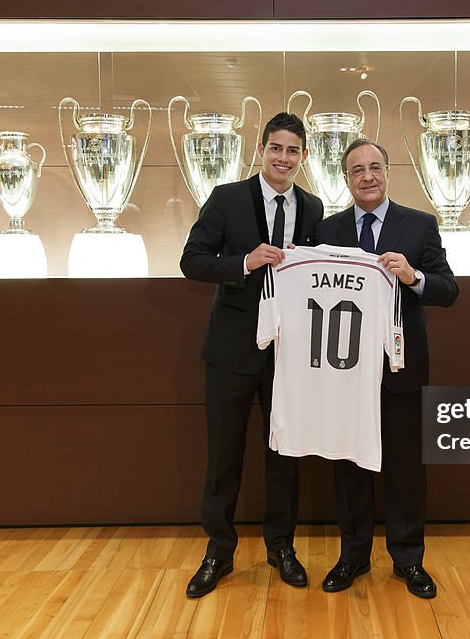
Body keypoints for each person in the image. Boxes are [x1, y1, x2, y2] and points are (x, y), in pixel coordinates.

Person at [179, 112, 324, 598]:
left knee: (284, 453)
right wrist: (244, 262)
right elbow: (192, 261)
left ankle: (281, 547)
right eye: (276, 148)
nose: (284, 158)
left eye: (293, 151)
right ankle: (218, 553)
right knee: (224, 456)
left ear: (302, 157)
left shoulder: (313, 206)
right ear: (262, 149)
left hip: (289, 352)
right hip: (230, 349)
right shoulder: (226, 198)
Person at [315, 138, 458, 599]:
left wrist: (413, 277)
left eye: (374, 167)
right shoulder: (328, 229)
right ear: (347, 179)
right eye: (357, 170)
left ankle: (408, 560)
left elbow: (448, 289)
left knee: (404, 468)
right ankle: (352, 558)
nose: (367, 176)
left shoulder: (419, 225)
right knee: (349, 465)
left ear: (388, 172)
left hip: (402, 367)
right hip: (345, 370)